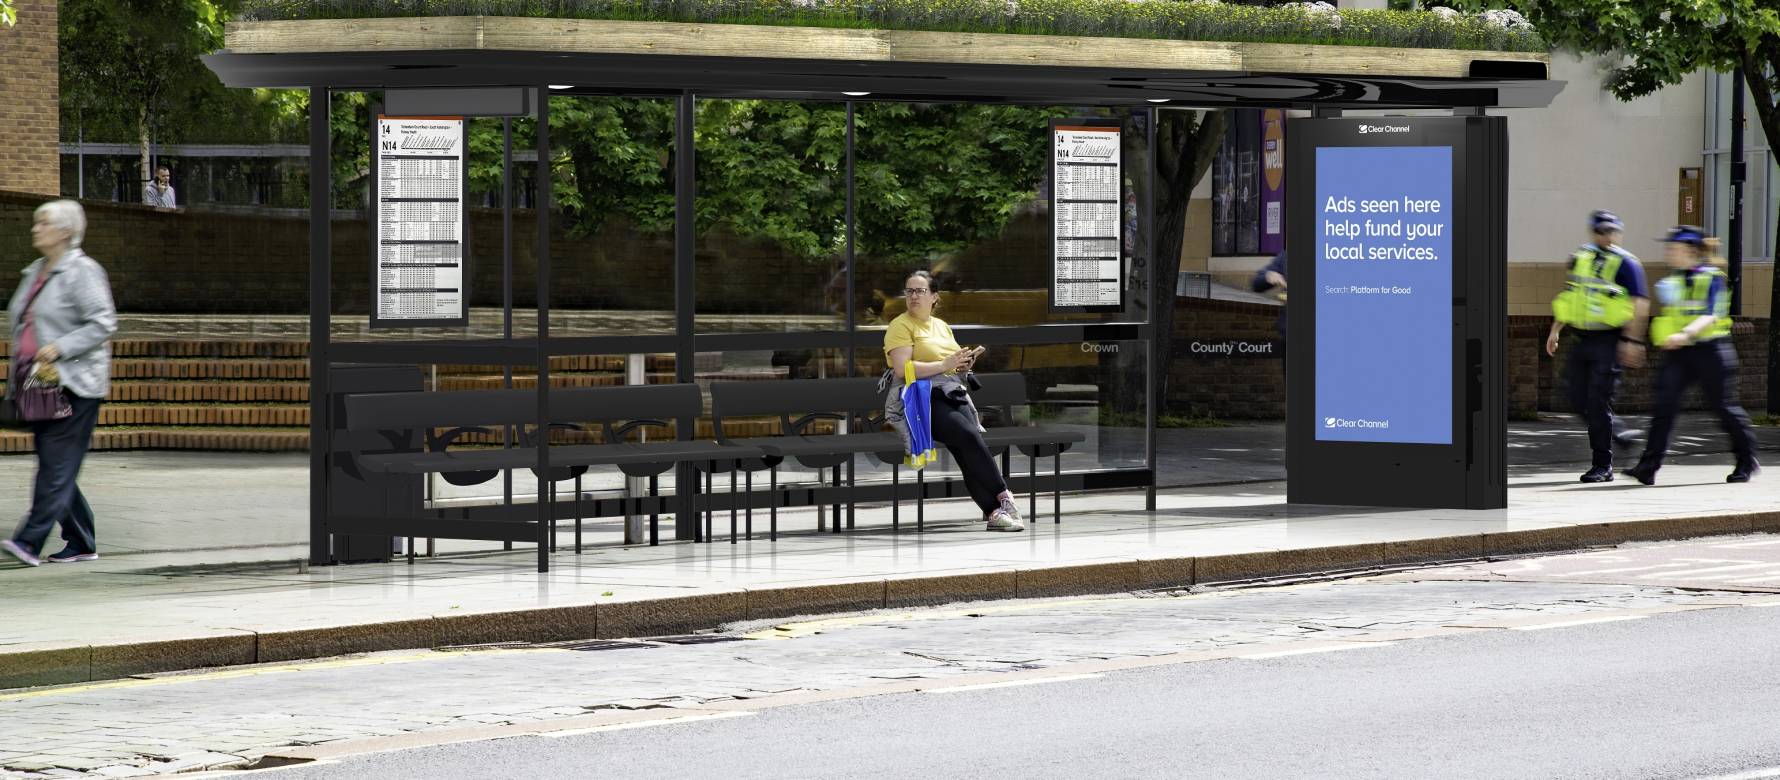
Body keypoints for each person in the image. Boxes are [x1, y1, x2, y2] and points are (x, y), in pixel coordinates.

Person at [2, 200, 118, 567]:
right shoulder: (35, 271)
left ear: (66, 231)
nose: (35, 228)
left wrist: (60, 348)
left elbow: (103, 323)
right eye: (36, 222)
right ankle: (82, 541)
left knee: (55, 464)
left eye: (44, 223)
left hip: (76, 384)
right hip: (39, 383)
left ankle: (28, 541)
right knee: (58, 464)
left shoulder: (82, 271)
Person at [883, 271, 1025, 532]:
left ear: (934, 297)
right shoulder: (899, 325)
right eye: (909, 291)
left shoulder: (941, 326)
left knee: (966, 446)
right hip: (920, 398)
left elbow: (951, 364)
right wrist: (944, 364)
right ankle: (1003, 494)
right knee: (968, 435)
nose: (914, 296)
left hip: (950, 392)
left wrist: (963, 363)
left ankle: (994, 512)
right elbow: (902, 370)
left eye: (920, 291)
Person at [1624, 226, 1760, 485]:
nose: (1668, 253)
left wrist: (1684, 334)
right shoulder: (1675, 279)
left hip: (1712, 350)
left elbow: (1710, 314)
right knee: (1664, 407)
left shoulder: (1712, 278)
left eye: (1673, 248)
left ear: (1691, 250)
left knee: (1724, 408)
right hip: (1680, 354)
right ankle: (1648, 467)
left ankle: (1746, 460)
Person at [1545, 209, 1648, 483]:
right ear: (1593, 232)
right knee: (1575, 397)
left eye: (1612, 231)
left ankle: (1603, 465)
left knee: (1598, 401)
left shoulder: (1627, 263)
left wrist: (1631, 340)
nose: (1608, 236)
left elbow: (1640, 304)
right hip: (1581, 338)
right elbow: (1569, 296)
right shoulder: (1580, 258)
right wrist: (1555, 330)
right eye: (1602, 231)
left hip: (1609, 340)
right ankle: (1621, 435)